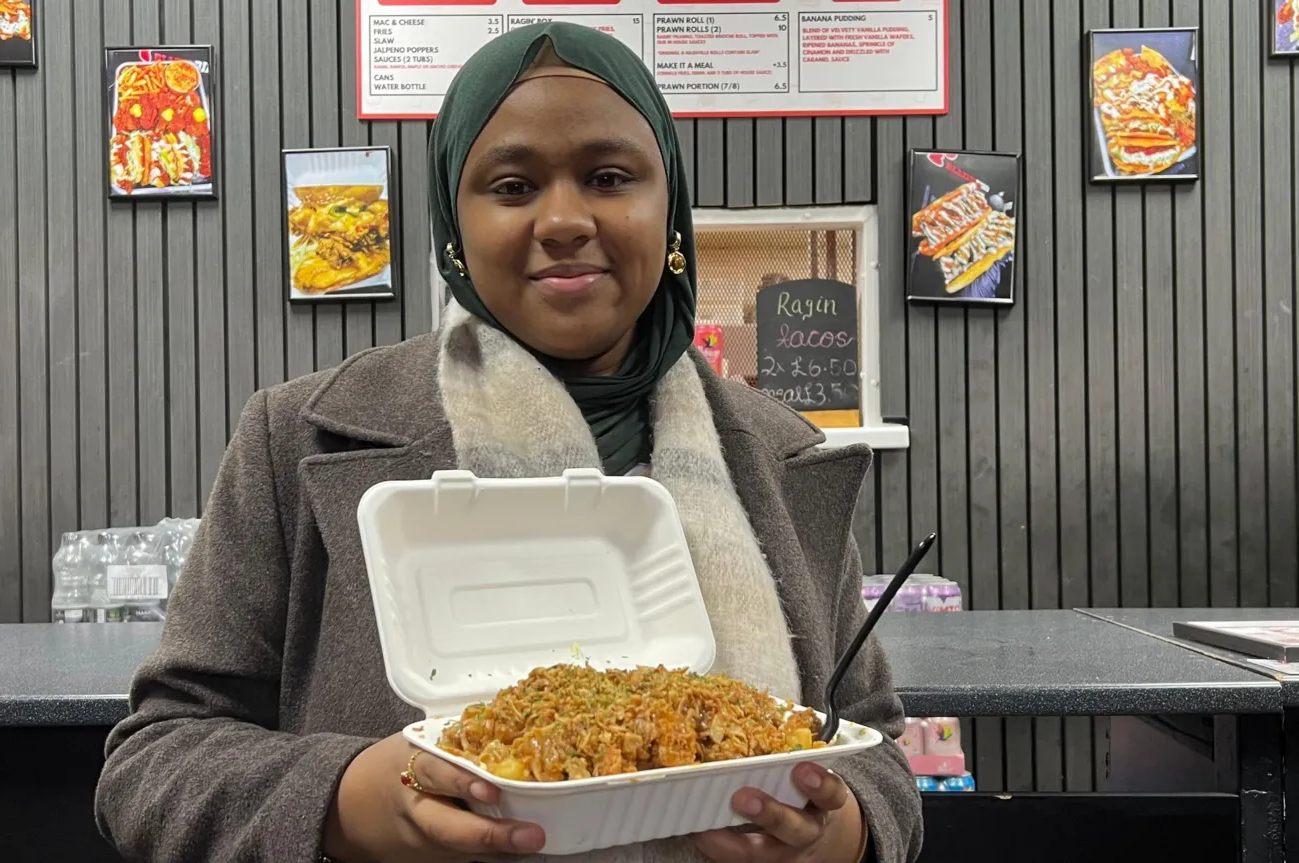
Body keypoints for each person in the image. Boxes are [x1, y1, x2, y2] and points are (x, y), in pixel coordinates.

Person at [95, 22, 921, 863]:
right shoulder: (296, 438)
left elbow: (876, 751)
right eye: (513, 185)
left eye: (608, 177)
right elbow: (156, 759)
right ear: (454, 223)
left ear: (668, 205)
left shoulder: (782, 458)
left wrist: (839, 832)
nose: (564, 219)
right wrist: (353, 802)